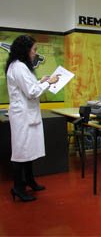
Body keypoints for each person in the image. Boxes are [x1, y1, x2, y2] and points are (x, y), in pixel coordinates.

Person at [5, 35, 60, 202]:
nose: (36, 53)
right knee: (20, 152)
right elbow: (32, 92)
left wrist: (40, 81)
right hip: (22, 116)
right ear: (25, 50)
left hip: (26, 115)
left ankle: (29, 181)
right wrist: (49, 82)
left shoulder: (20, 67)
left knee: (28, 151)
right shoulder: (19, 67)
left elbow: (28, 87)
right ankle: (18, 187)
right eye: (34, 50)